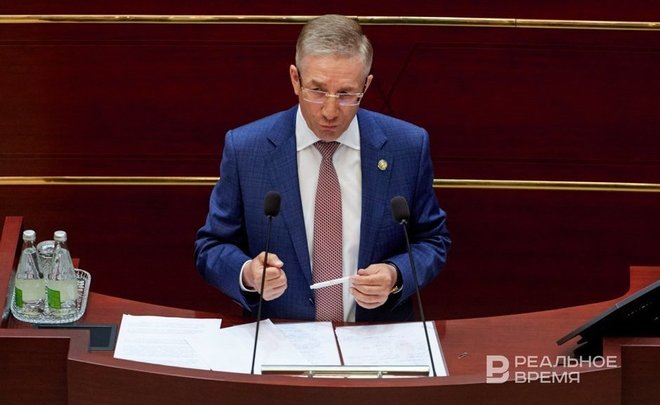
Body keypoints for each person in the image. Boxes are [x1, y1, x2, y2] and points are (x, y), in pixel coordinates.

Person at [195, 14, 450, 323]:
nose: (330, 111)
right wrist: (248, 273)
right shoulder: (247, 148)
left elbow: (432, 240)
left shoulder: (407, 146)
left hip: (374, 335)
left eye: (345, 94)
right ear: (295, 79)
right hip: (280, 335)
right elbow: (212, 246)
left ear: (366, 85)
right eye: (317, 91)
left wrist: (396, 275)